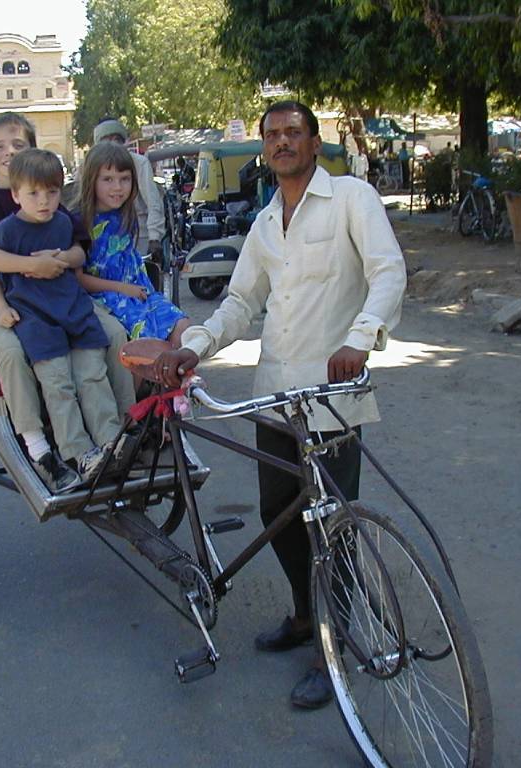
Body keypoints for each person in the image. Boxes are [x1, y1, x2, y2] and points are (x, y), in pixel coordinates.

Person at [157, 101, 406, 710]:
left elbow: (387, 271)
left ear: (314, 142)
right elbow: (241, 302)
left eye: (294, 132)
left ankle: (335, 646)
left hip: (330, 397)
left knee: (332, 526)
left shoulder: (351, 198)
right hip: (275, 394)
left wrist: (360, 337)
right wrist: (195, 347)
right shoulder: (267, 222)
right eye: (273, 135)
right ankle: (302, 614)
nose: (283, 141)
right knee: (278, 513)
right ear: (265, 149)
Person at [0, 112, 134, 489]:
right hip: (2, 301)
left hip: (61, 296)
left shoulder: (56, 203)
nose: (9, 153)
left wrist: (60, 260)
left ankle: (123, 429)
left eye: (18, 144)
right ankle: (39, 446)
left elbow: (78, 250)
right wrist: (33, 265)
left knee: (114, 335)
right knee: (12, 353)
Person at [76, 142, 190, 346]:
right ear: (92, 180)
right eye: (108, 179)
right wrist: (123, 288)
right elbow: (79, 279)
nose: (117, 187)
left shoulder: (126, 215)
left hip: (138, 293)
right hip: (103, 297)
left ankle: (171, 377)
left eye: (124, 179)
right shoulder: (79, 222)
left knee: (184, 328)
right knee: (142, 340)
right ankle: (140, 378)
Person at [93, 118, 165, 263]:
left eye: (117, 140)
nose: (118, 187)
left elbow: (153, 203)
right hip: (103, 236)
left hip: (139, 234)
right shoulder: (92, 166)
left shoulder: (139, 163)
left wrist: (154, 237)